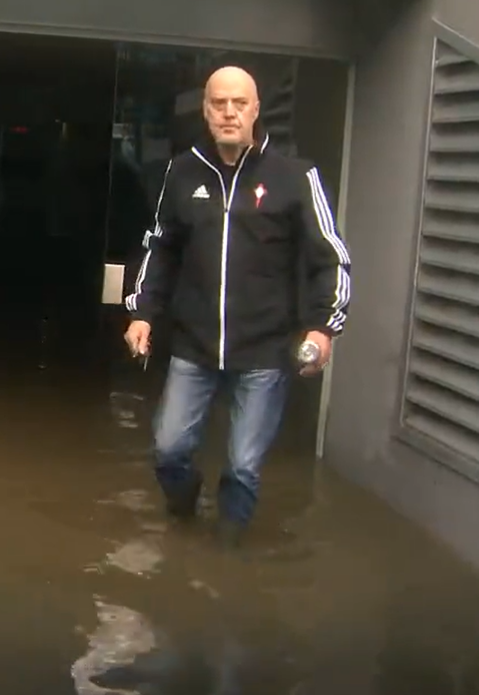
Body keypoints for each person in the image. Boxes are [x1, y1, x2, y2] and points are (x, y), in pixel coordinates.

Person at [122, 66, 352, 546]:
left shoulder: (295, 176)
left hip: (265, 352)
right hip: (194, 345)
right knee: (168, 451)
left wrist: (322, 328)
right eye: (219, 103)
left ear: (255, 110)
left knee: (244, 467)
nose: (229, 112)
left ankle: (225, 554)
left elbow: (330, 258)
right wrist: (143, 311)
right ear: (205, 111)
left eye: (239, 103)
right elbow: (159, 247)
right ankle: (184, 507)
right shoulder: (182, 172)